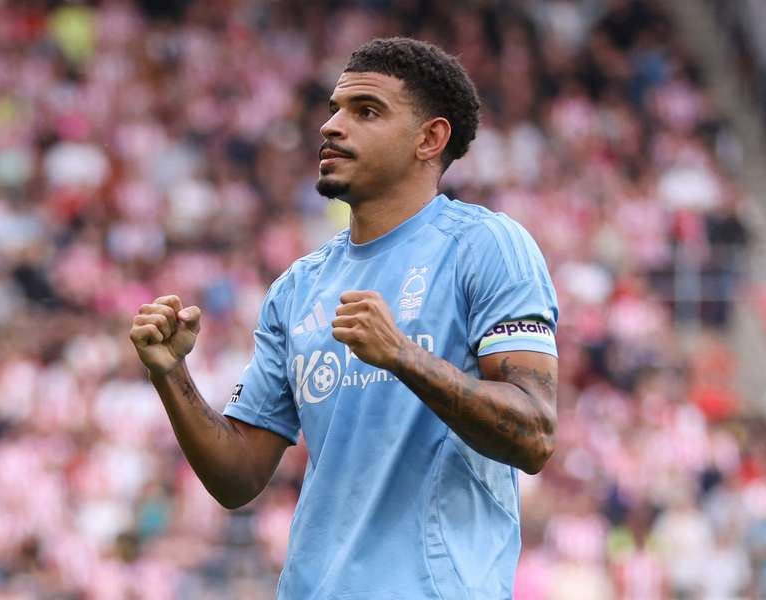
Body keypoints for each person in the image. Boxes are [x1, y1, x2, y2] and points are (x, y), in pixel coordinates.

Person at [129, 37, 559, 599]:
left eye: (366, 111)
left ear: (429, 139)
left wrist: (403, 356)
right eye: (334, 108)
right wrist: (170, 374)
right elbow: (237, 479)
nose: (331, 126)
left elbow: (535, 432)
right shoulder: (299, 287)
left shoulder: (486, 246)